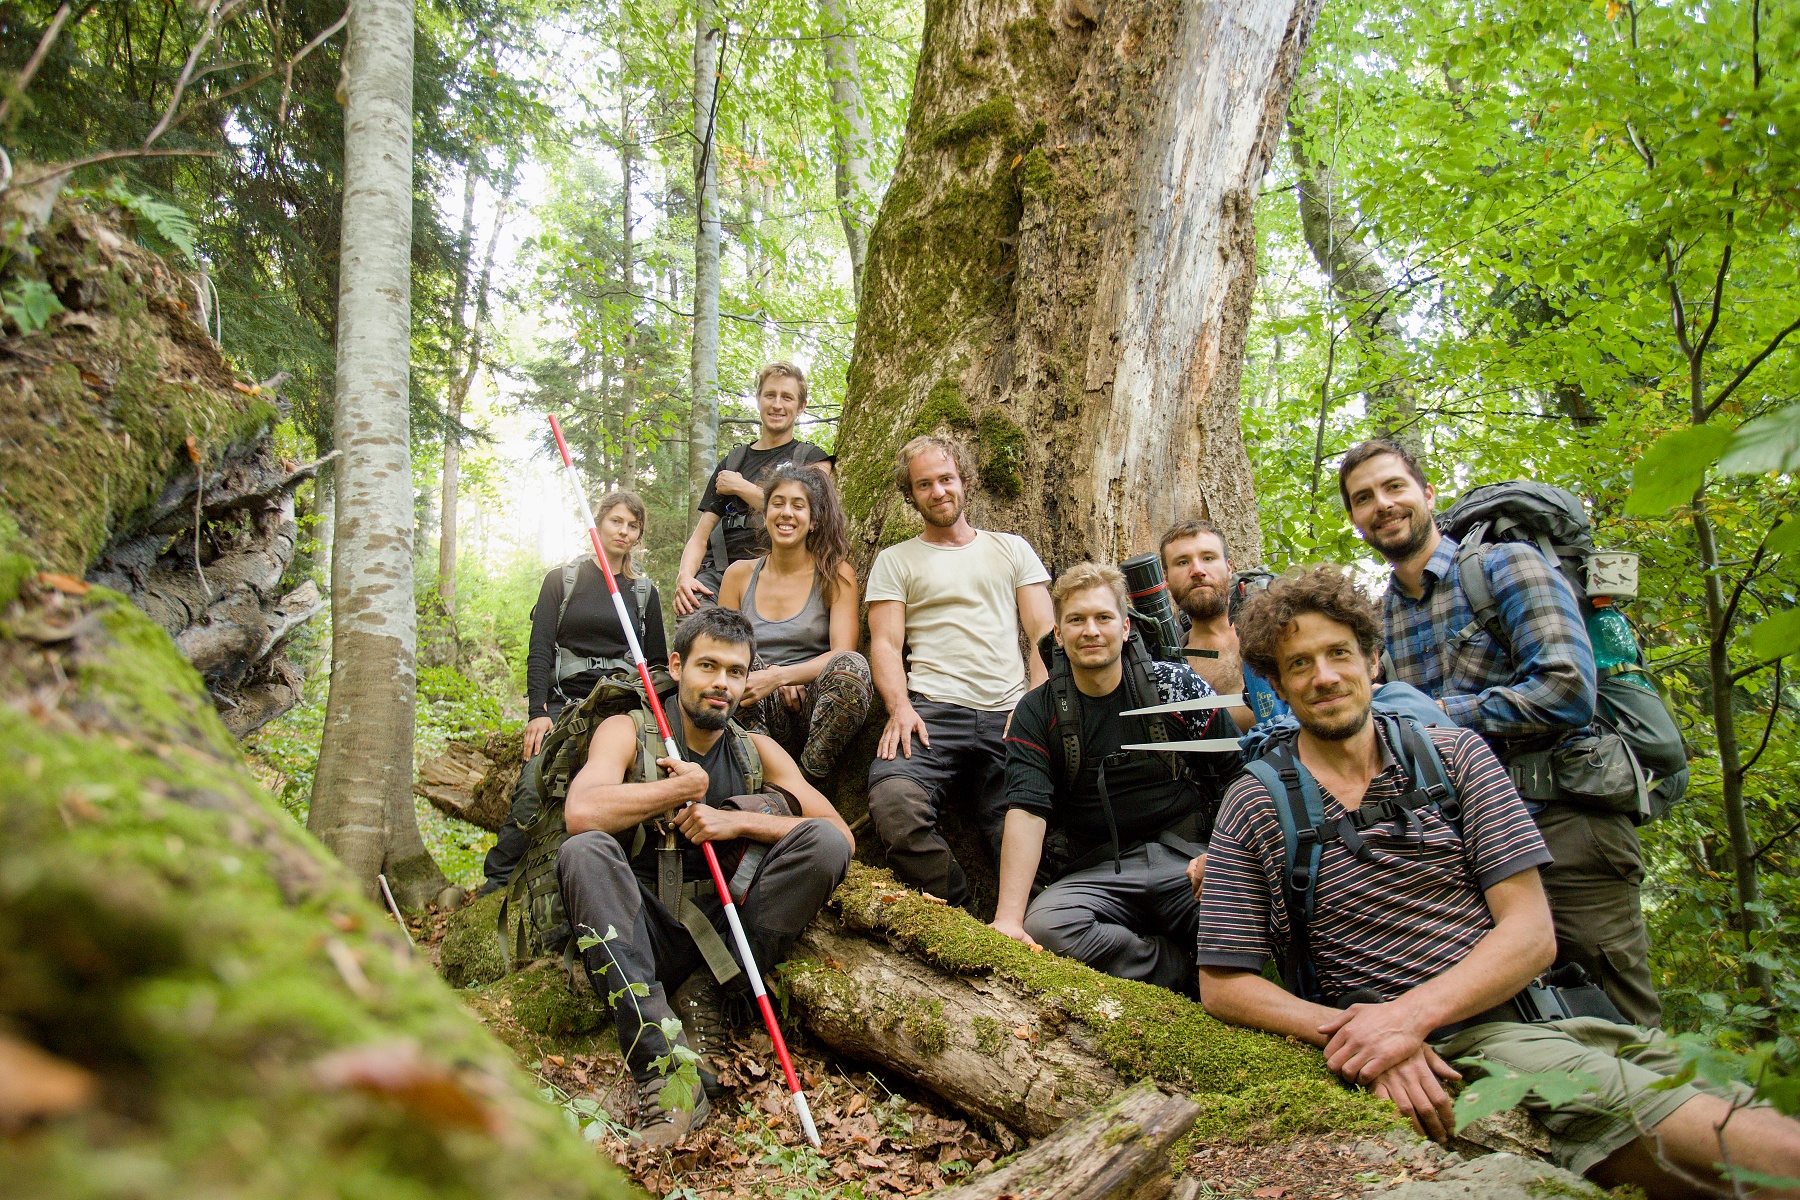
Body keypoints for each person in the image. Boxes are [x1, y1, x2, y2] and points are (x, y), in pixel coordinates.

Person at [1195, 567, 1800, 1195]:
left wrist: (1401, 1020)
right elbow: (1225, 984)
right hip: (1477, 1050)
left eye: (1338, 653)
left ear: (1374, 661)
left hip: (1566, 1018)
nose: (1324, 677)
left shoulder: (1454, 754)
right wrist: (1363, 1034)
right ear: (1277, 685)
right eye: (1299, 665)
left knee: (1768, 1119)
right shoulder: (1257, 802)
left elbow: (1532, 932)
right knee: (1777, 1156)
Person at [1338, 438, 1660, 1028]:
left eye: (1394, 488)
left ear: (1427, 494)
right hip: (1474, 839)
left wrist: (1435, 714)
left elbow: (1567, 689)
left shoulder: (1503, 566)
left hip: (1567, 820)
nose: (1381, 505)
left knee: (1618, 1015)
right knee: (1526, 1016)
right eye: (1364, 498)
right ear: (1355, 520)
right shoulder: (1380, 618)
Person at [556, 607, 854, 1146]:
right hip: (641, 929)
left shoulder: (754, 749)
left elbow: (838, 835)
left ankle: (712, 997)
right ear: (677, 665)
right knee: (585, 853)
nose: (721, 683)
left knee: (823, 845)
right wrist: (675, 792)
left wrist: (733, 820)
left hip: (725, 935)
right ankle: (665, 1071)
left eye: (736, 672)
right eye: (708, 666)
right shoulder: (628, 729)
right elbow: (581, 812)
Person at [991, 562, 1237, 996]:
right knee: (1046, 927)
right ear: (1059, 635)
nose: (1091, 631)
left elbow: (1239, 773)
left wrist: (1226, 859)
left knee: (1246, 910)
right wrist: (1008, 920)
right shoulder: (1036, 711)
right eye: (1076, 620)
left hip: (1189, 861)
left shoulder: (1175, 686)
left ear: (1125, 628)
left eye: (1103, 618)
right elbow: (1027, 810)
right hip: (1098, 871)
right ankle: (1176, 968)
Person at [865, 434, 1055, 909]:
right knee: (893, 803)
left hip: (1011, 713)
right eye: (924, 484)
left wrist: (1036, 704)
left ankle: (1041, 943)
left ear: (964, 481)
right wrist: (900, 707)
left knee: (1026, 829)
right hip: (930, 713)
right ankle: (960, 919)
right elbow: (885, 643)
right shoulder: (895, 561)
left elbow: (1044, 634)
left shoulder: (1010, 549)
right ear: (911, 495)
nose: (938, 491)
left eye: (946, 479)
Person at [478, 490, 665, 896]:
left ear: (638, 536)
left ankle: (615, 886)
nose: (624, 531)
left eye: (633, 526)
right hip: (565, 703)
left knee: (633, 788)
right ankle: (497, 884)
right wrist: (537, 711)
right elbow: (540, 648)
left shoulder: (643, 593)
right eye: (617, 521)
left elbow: (656, 666)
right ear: (597, 523)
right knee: (534, 780)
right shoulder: (562, 581)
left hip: (622, 710)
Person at [716, 463, 872, 783]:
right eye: (778, 503)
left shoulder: (835, 574)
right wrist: (766, 678)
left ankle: (806, 781)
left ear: (813, 521)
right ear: (765, 514)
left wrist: (780, 676)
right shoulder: (738, 576)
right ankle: (756, 774)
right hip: (753, 711)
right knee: (738, 663)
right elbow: (722, 650)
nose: (787, 513)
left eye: (798, 506)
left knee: (853, 668)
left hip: (811, 712)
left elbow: (842, 652)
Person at [674, 361, 832, 616]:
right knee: (695, 629)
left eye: (787, 397)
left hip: (775, 576)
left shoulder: (813, 459)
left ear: (801, 406)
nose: (777, 404)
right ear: (758, 399)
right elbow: (701, 536)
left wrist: (741, 487)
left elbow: (817, 519)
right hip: (717, 575)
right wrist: (684, 576)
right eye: (770, 395)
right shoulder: (733, 462)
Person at [1159, 518, 1287, 732]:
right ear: (1166, 580)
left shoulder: (1278, 632)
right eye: (1182, 562)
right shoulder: (1172, 667)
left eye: (1208, 558)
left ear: (1229, 568)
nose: (1197, 570)